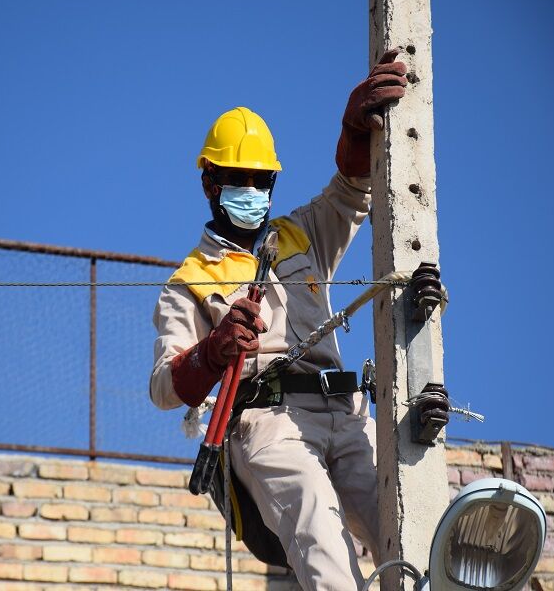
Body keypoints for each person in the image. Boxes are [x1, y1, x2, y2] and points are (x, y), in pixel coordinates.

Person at [150, 50, 408, 591]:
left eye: (262, 180)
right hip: (267, 424)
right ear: (210, 183)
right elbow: (164, 387)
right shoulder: (189, 280)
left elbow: (352, 192)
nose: (253, 192)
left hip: (345, 412)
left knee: (408, 523)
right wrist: (214, 349)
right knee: (320, 535)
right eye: (239, 179)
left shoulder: (300, 234)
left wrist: (354, 129)